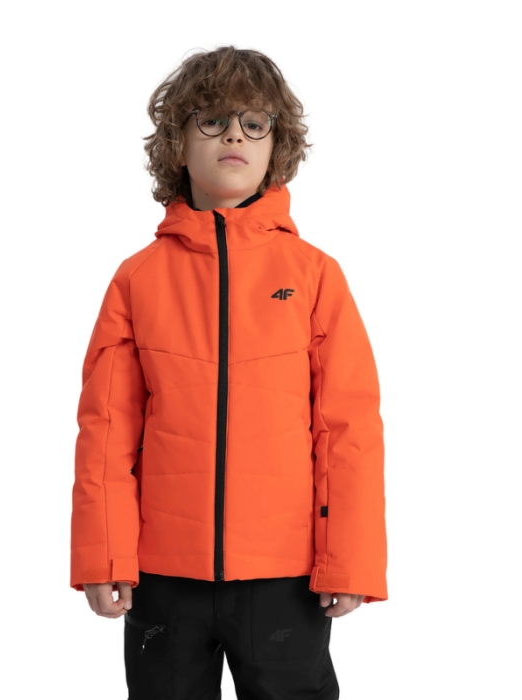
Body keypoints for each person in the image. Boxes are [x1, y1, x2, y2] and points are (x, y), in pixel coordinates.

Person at [69, 46, 387, 699]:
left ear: (277, 147)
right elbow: (106, 431)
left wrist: (348, 559)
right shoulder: (137, 280)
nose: (234, 135)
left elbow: (348, 429)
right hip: (164, 577)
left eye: (253, 122)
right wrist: (104, 554)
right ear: (178, 145)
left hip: (285, 576)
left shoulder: (314, 276)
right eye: (212, 120)